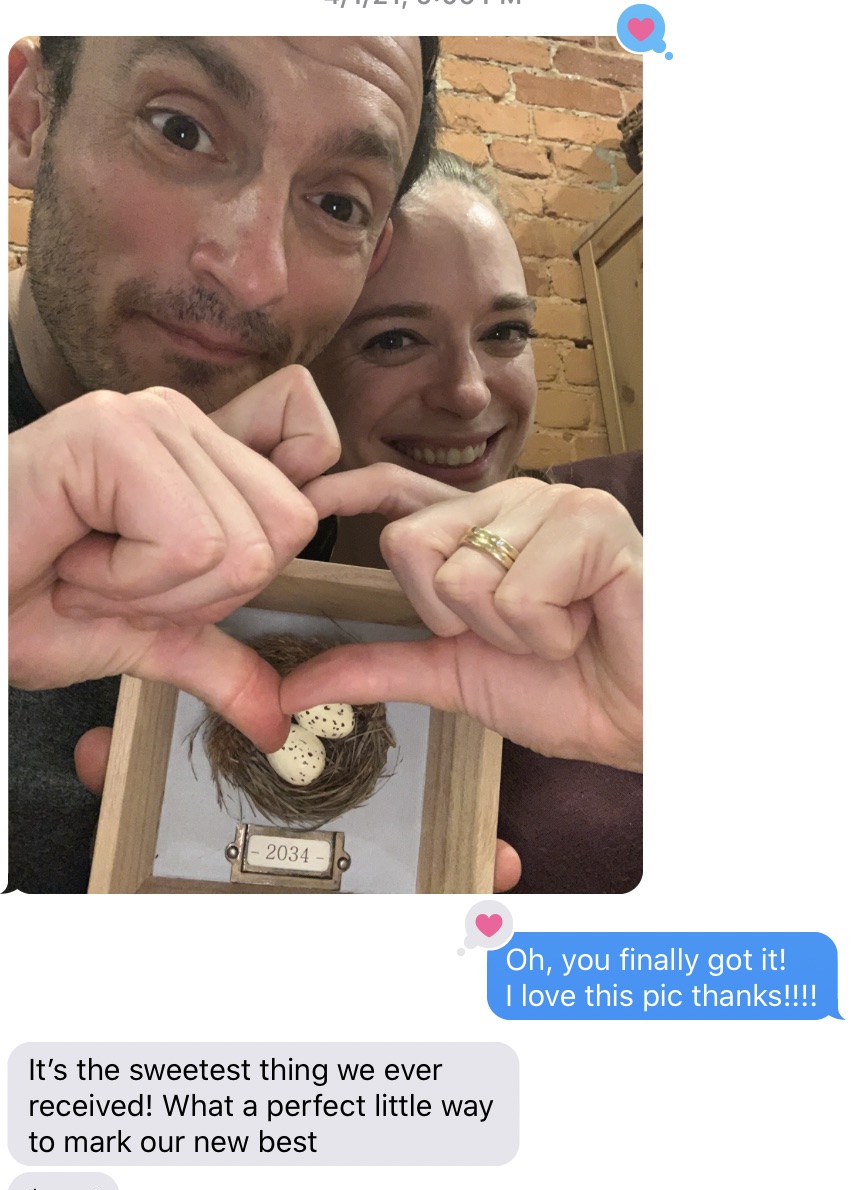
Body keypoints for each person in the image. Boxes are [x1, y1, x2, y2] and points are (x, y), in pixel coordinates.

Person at [7, 35, 439, 893]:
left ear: (373, 256)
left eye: (338, 204)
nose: (253, 274)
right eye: (179, 129)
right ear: (29, 117)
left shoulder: (323, 536)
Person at [301, 153, 642, 891]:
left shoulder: (639, 519)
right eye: (394, 339)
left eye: (505, 331)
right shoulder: (236, 613)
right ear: (305, 373)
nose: (466, 389)